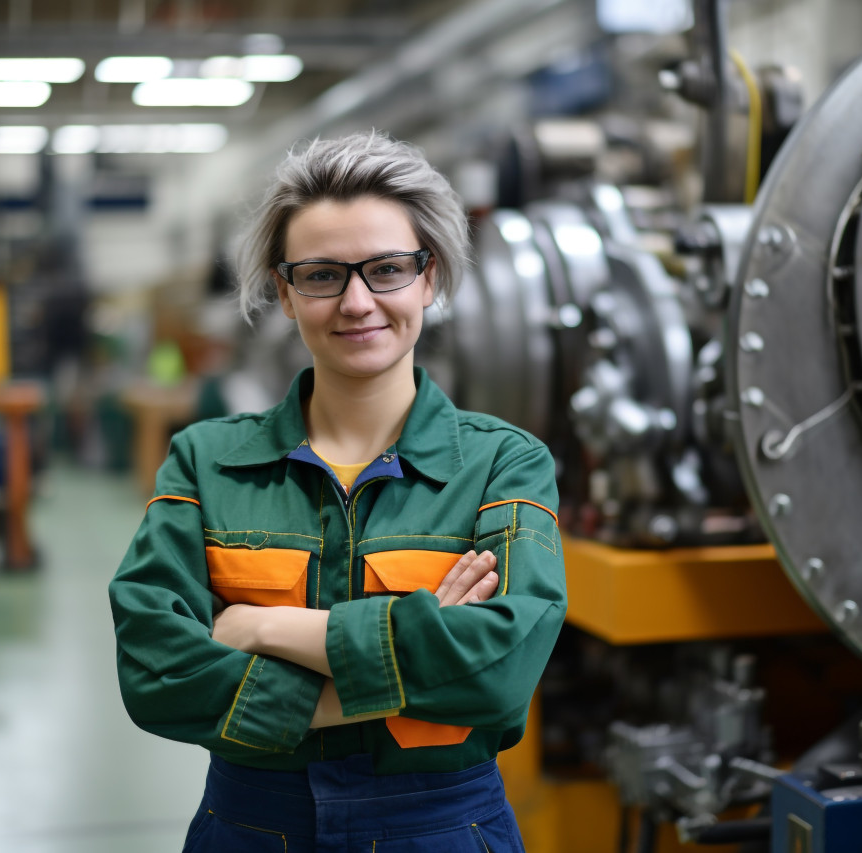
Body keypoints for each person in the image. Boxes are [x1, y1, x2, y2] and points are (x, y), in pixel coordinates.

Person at [109, 132, 567, 852]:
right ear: (285, 291)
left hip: (442, 824)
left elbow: (501, 675)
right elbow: (156, 673)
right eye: (322, 275)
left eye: (386, 269)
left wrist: (265, 628)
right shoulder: (206, 461)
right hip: (253, 824)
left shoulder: (502, 464)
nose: (357, 302)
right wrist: (416, 652)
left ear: (431, 278)